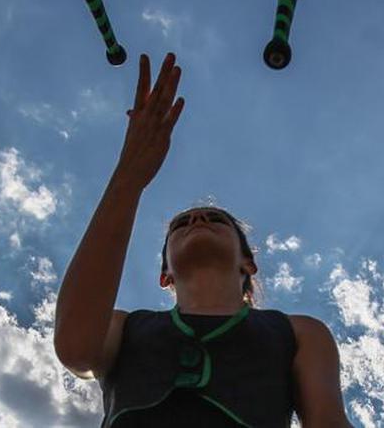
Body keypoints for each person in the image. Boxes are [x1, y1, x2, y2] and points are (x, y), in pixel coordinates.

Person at [54, 53, 352, 427]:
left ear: (248, 262)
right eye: (181, 225)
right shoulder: (123, 328)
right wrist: (130, 174)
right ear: (165, 274)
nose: (197, 218)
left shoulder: (299, 332)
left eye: (215, 219)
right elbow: (75, 348)